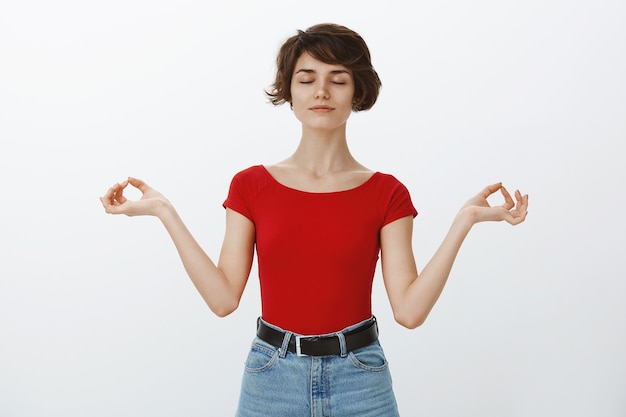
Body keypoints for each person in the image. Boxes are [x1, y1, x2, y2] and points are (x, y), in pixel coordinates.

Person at [100, 23, 528, 417]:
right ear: (289, 92)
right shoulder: (251, 186)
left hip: (362, 378)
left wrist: (464, 221)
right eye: (307, 79)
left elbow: (410, 312)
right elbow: (223, 299)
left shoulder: (387, 193)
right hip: (271, 378)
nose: (321, 91)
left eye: (337, 79)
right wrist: (164, 212)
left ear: (357, 92)